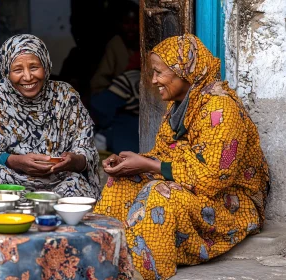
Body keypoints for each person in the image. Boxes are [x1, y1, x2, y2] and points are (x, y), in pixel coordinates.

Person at [94, 34, 269, 280]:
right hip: (193, 189)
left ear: (184, 72)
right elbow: (167, 156)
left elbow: (211, 179)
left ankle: (145, 271)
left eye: (159, 73)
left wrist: (147, 164)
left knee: (159, 195)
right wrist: (134, 162)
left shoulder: (221, 109)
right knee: (122, 182)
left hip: (229, 203)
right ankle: (107, 258)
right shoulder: (179, 105)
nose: (153, 80)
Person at [0, 34, 101, 206]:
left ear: (45, 65)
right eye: (18, 70)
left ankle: (68, 232)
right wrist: (15, 161)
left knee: (77, 185)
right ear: (6, 71)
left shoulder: (66, 96)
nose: (28, 77)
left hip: (59, 180)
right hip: (12, 180)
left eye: (34, 67)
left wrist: (74, 161)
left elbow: (86, 151)